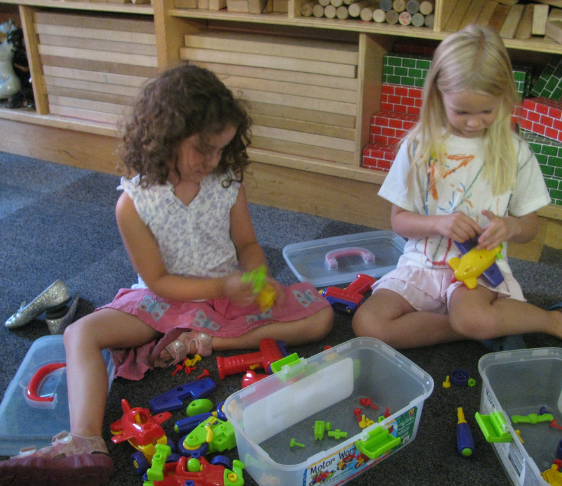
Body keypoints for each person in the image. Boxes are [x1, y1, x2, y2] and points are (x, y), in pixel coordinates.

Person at [0, 64, 334, 485]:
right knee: (78, 334)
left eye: (221, 149)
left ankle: (207, 342)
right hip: (162, 303)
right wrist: (223, 285)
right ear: (166, 137)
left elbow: (248, 244)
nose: (213, 160)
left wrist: (255, 275)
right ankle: (85, 443)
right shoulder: (134, 203)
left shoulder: (227, 183)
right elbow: (157, 281)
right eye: (203, 150)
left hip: (225, 302)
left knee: (320, 315)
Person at [352, 25, 562, 365]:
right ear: (438, 94)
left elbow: (531, 226)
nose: (474, 123)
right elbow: (400, 222)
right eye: (462, 111)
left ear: (505, 98)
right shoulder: (418, 147)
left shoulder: (514, 151)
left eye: (487, 111)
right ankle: (486, 328)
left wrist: (509, 227)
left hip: (481, 273)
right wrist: (440, 223)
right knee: (367, 323)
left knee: (471, 317)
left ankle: (557, 321)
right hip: (422, 265)